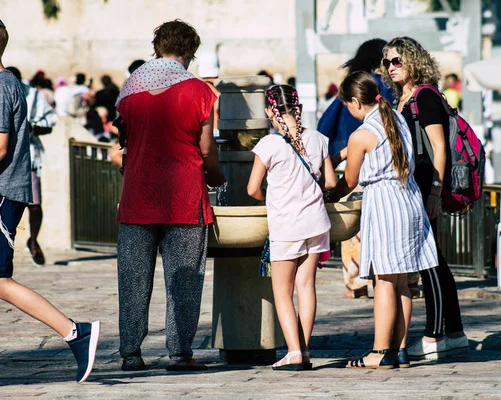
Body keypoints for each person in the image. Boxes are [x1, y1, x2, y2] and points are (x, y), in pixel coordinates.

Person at [115, 19, 224, 372]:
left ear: (156, 47)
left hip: (137, 197)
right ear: (190, 51)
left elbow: (125, 141)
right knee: (185, 280)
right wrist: (218, 177)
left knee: (133, 280)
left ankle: (131, 353)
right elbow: (206, 149)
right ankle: (180, 353)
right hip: (184, 196)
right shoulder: (201, 92)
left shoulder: (129, 89)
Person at [0, 18, 99, 384]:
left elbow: (0, 147)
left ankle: (75, 332)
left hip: (3, 193)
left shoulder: (0, 86)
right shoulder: (9, 83)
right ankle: (76, 333)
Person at [326, 71, 438, 369]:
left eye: (347, 106)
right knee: (402, 283)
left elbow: (348, 182)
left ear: (354, 102)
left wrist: (328, 196)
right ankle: (399, 350)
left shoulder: (361, 134)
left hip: (386, 205)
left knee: (384, 281)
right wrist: (339, 155)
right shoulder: (395, 119)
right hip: (409, 199)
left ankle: (379, 351)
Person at [381, 36, 469, 360]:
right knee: (434, 259)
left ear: (413, 61)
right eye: (387, 62)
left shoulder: (425, 97)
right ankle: (455, 332)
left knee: (428, 259)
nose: (391, 67)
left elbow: (440, 147)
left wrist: (434, 191)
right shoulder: (403, 100)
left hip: (425, 186)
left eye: (397, 61)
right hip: (412, 187)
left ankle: (434, 336)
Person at [247, 84, 336, 370]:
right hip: (317, 223)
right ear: (297, 107)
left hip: (287, 226)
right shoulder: (319, 139)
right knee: (306, 287)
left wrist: (269, 199)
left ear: (268, 112)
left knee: (282, 293)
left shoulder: (269, 145)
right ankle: (305, 350)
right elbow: (331, 183)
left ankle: (294, 352)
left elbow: (252, 189)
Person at [316, 38, 396, 300]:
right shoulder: (391, 87)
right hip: (393, 173)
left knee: (354, 231)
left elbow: (325, 127)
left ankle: (357, 283)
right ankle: (406, 280)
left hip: (357, 169)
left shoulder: (354, 87)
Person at [6, 66, 58, 266]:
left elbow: (50, 121)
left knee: (34, 205)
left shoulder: (32, 95)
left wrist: (32, 127)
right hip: (5, 157)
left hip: (28, 156)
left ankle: (33, 241)